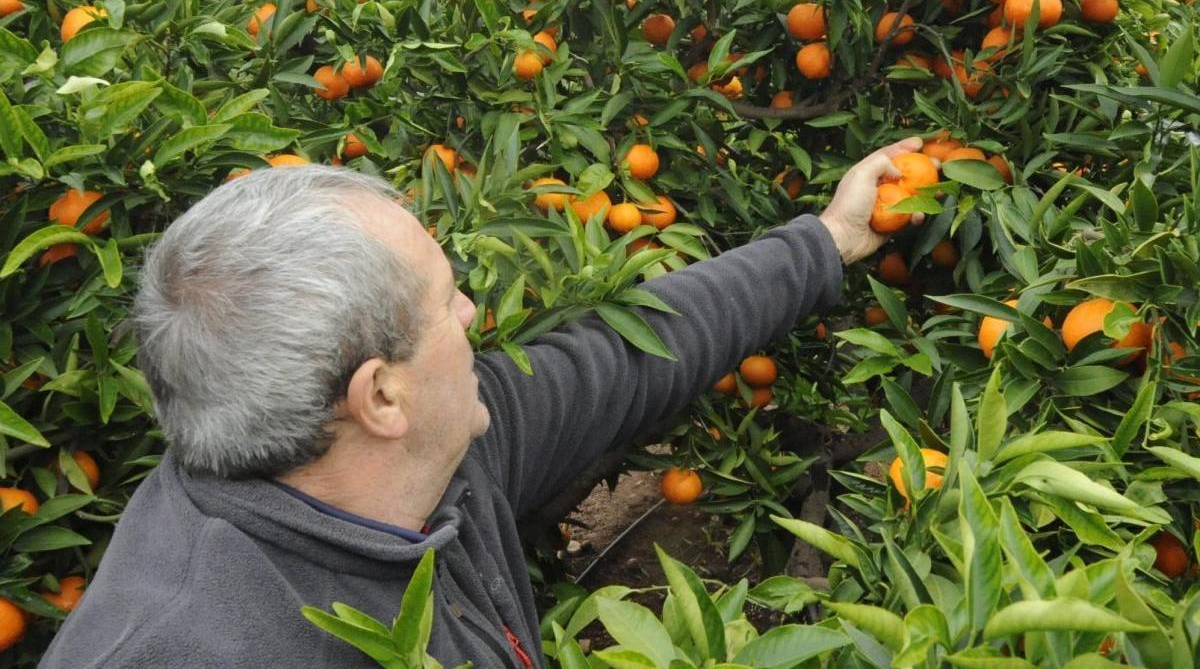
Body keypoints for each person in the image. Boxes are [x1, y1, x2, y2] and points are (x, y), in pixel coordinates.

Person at [39, 137, 924, 668]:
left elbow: (626, 358)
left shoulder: (427, 456)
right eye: (446, 300)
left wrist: (829, 239)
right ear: (381, 394)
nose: (472, 315)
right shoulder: (193, 646)